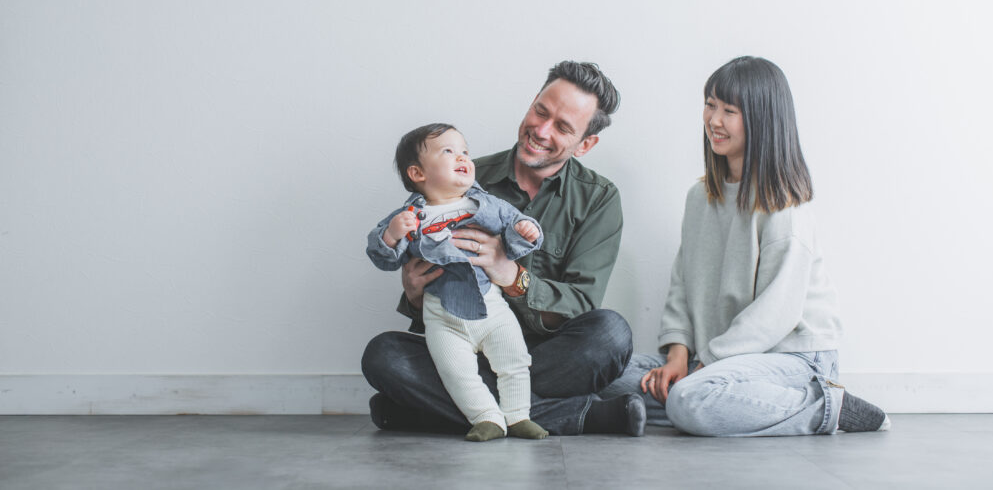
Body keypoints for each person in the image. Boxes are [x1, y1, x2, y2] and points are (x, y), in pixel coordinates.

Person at [603, 56, 890, 436]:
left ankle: (827, 407)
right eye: (710, 105)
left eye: (729, 111)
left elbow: (777, 312)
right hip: (719, 358)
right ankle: (706, 400)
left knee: (689, 398)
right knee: (608, 381)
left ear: (761, 120)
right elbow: (682, 287)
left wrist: (708, 363)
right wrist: (677, 356)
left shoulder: (785, 206)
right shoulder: (699, 197)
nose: (714, 121)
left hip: (793, 359)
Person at [362, 61, 645, 436]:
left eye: (562, 127)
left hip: (550, 355)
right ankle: (581, 417)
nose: (541, 131)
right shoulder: (459, 177)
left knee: (611, 334)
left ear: (585, 144)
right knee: (384, 355)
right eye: (540, 111)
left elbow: (580, 303)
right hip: (464, 347)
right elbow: (422, 282)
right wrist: (413, 294)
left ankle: (431, 412)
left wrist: (511, 274)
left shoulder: (598, 198)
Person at [366, 123, 548, 442]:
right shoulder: (410, 216)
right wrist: (392, 234)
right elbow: (383, 257)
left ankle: (519, 415)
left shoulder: (484, 204)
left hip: (492, 308)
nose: (462, 157)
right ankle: (487, 417)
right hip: (443, 317)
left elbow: (513, 222)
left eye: (465, 151)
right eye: (448, 151)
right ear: (418, 173)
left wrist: (525, 229)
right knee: (456, 373)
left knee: (516, 360)